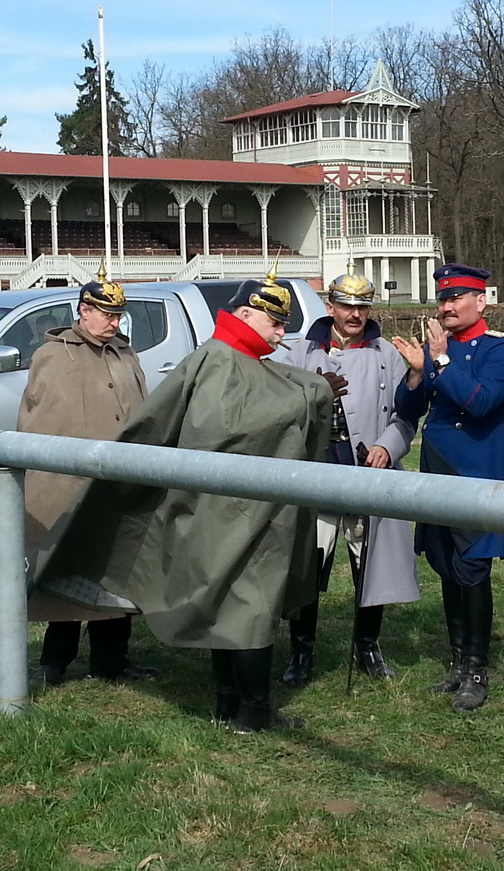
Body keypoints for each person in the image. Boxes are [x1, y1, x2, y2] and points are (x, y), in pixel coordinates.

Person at [36, 275, 331, 733]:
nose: (280, 334)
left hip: (219, 510)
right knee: (250, 607)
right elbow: (230, 429)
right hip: (240, 512)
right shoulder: (220, 363)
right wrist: (308, 394)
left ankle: (229, 704)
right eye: (274, 323)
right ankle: (252, 711)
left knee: (225, 605)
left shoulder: (215, 360)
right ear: (247, 315)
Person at [277, 272, 421, 683]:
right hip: (317, 475)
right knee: (306, 566)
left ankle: (368, 647)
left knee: (370, 566)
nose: (354, 314)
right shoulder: (298, 352)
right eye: (346, 306)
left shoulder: (387, 354)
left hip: (366, 474)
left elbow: (405, 415)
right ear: (331, 306)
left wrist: (387, 446)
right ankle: (301, 652)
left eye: (361, 307)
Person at [392, 264, 504, 711]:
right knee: (446, 564)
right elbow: (408, 406)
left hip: (478, 469)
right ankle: (456, 662)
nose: (445, 306)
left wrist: (441, 360)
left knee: (472, 567)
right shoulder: (437, 350)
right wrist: (414, 373)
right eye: (442, 299)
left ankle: (477, 668)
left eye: (456, 299)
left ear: (480, 302)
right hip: (438, 468)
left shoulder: (499, 350)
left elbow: (481, 403)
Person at [20, 278, 160, 686]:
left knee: (116, 572)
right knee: (65, 569)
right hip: (69, 484)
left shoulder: (125, 354)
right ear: (83, 310)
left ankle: (111, 658)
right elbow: (37, 420)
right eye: (106, 314)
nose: (113, 322)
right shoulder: (53, 355)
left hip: (119, 483)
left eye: (118, 315)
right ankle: (54, 659)